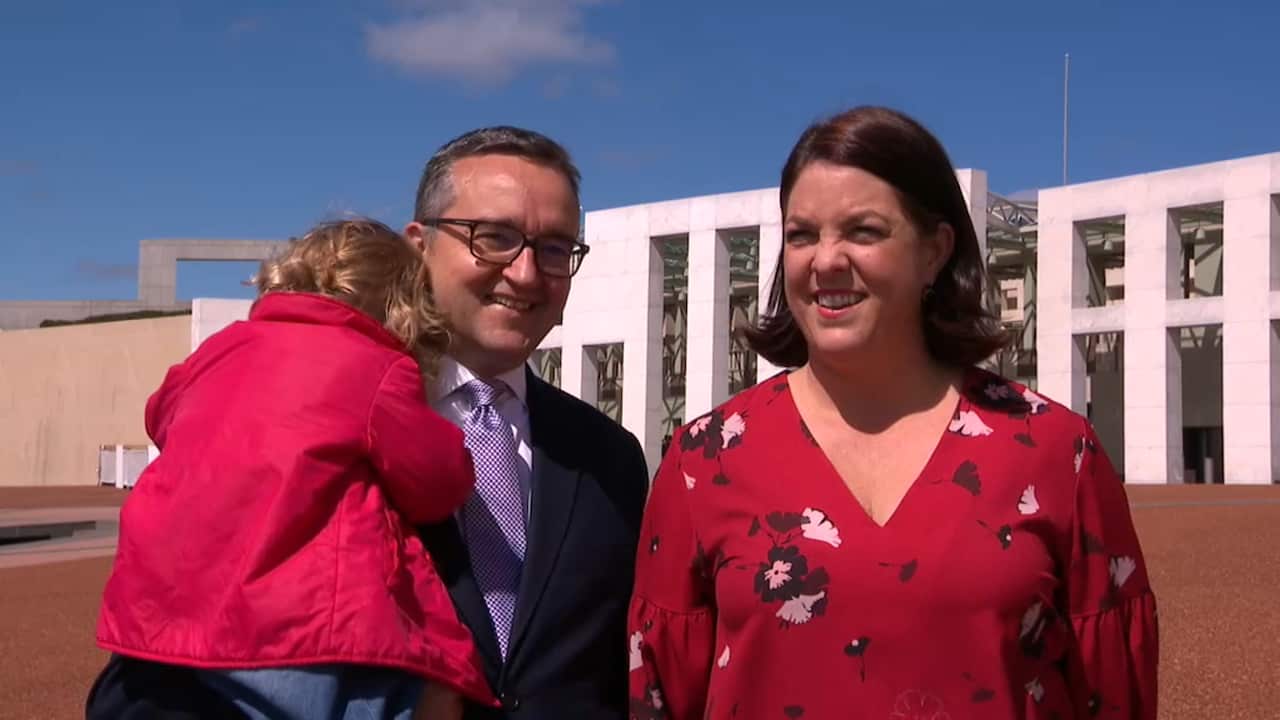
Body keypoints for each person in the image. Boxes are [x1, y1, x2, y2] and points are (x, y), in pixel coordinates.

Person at [86, 127, 652, 719]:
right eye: (495, 238)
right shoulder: (298, 417)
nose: (528, 272)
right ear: (419, 245)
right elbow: (160, 656)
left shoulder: (610, 457)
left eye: (556, 248)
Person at [626, 107, 1158, 719]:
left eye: (864, 231)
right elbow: (661, 694)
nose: (825, 260)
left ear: (935, 250)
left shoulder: (1054, 450)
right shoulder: (706, 459)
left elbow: (1114, 695)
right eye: (802, 235)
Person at [95, 219, 497, 720]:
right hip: (296, 637)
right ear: (403, 308)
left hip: (162, 624)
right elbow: (438, 481)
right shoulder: (376, 365)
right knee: (433, 697)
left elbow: (160, 414)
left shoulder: (220, 348)